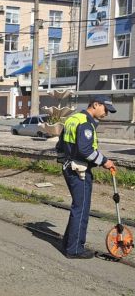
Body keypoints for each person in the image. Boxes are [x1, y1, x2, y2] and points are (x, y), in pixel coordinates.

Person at [56, 95, 116, 259]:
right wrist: (104, 161)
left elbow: (60, 145)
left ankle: (69, 243)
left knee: (77, 207)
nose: (106, 114)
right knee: (81, 209)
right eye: (105, 109)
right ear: (96, 104)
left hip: (69, 167)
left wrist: (66, 162)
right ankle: (74, 249)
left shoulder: (73, 118)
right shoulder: (85, 123)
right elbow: (85, 150)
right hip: (79, 170)